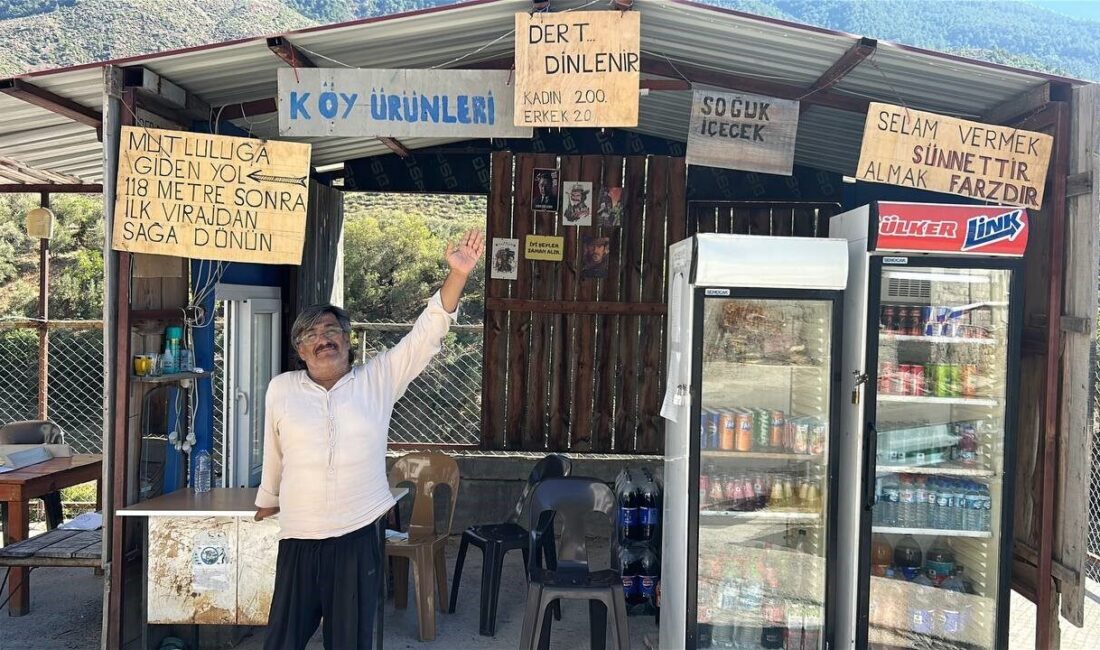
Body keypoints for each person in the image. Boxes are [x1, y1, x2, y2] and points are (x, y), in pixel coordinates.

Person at [254, 229, 484, 650]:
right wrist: (267, 498)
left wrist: (457, 275)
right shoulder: (282, 388)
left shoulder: (377, 379)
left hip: (358, 533)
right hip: (300, 535)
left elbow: (425, 336)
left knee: (350, 641)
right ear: (300, 351)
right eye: (311, 336)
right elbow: (275, 449)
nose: (323, 339)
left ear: (347, 340)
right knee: (282, 640)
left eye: (331, 331)